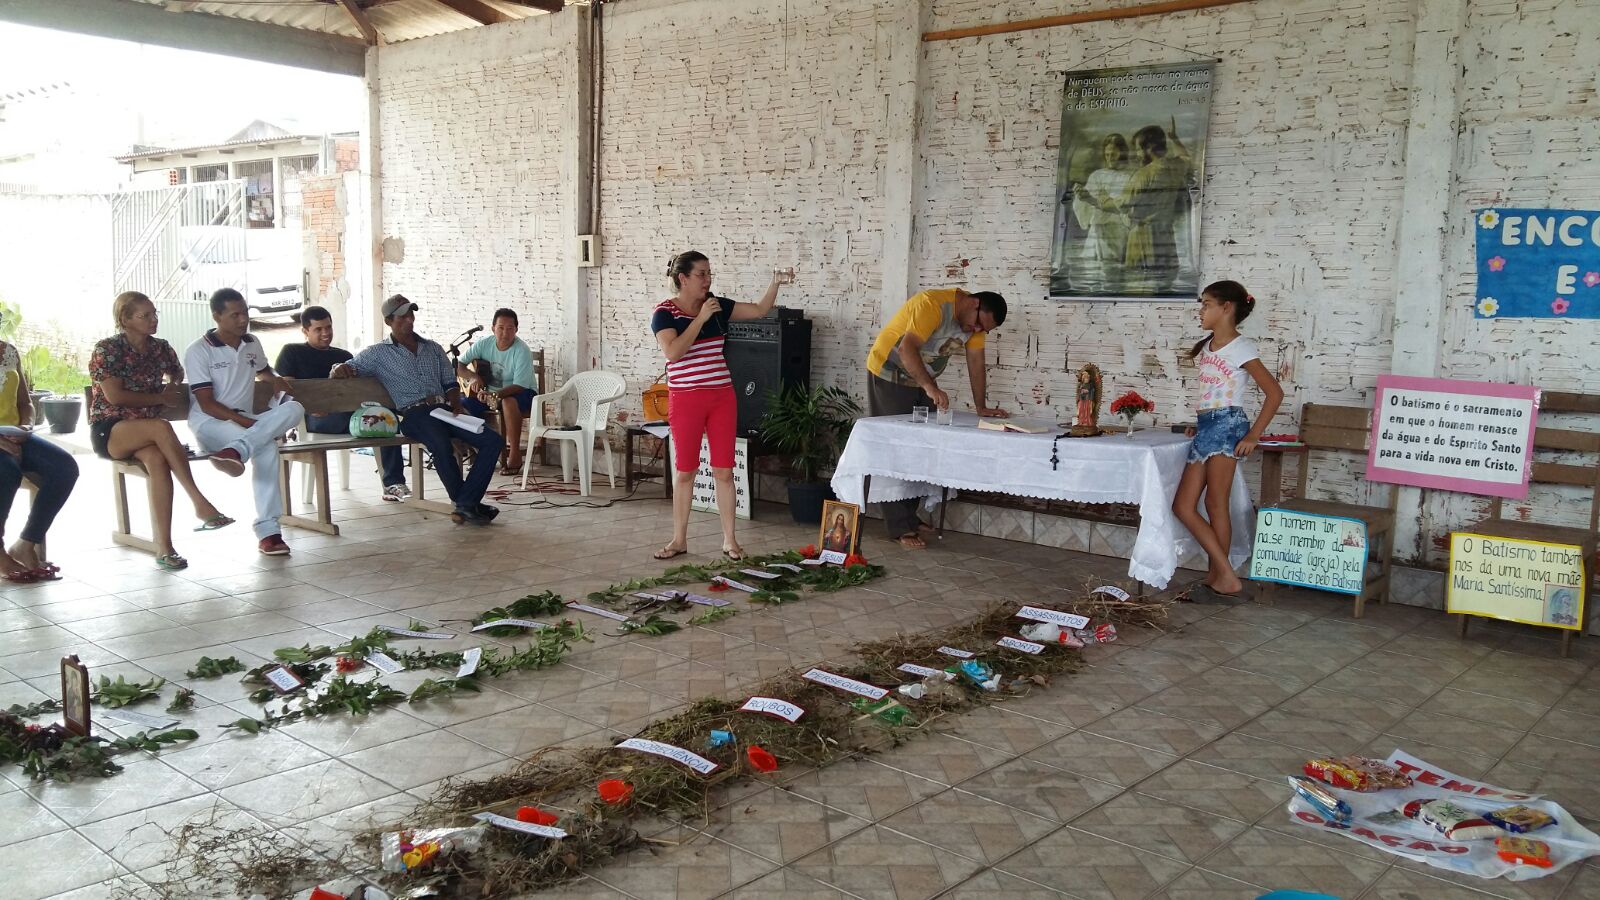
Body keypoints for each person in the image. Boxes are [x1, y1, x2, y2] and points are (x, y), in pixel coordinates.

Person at [651, 251, 784, 561]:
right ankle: (679, 540)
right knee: (686, 471)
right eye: (701, 274)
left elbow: (760, 309)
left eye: (710, 273)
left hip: (722, 397)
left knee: (724, 471)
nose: (707, 280)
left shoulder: (717, 305)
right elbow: (673, 353)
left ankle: (730, 541)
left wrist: (775, 282)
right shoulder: (665, 313)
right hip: (686, 399)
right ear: (683, 278)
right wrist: (700, 319)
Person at [89, 291, 236, 571]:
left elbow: (176, 372)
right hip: (111, 430)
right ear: (125, 319)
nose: (153, 319)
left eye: (154, 313)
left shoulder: (160, 348)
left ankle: (165, 548)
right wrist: (159, 398)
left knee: (157, 459)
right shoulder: (108, 349)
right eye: (145, 315)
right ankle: (199, 501)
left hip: (148, 432)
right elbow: (115, 397)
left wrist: (172, 385)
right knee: (161, 426)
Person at [332, 294, 504, 525]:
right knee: (441, 445)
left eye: (411, 314)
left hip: (444, 410)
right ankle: (467, 503)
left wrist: (456, 405)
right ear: (389, 321)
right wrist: (338, 368)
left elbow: (450, 382)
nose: (409, 320)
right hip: (414, 413)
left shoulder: (432, 348)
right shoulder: (378, 353)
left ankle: (466, 502)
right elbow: (348, 367)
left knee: (492, 440)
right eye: (402, 317)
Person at [864, 287, 1008, 549]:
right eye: (977, 324)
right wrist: (930, 388)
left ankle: (909, 516)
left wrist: (981, 407)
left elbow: (976, 362)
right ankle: (899, 527)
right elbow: (907, 349)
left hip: (922, 378)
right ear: (974, 303)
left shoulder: (975, 324)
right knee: (895, 448)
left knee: (922, 447)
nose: (975, 331)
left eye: (983, 330)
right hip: (890, 373)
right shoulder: (932, 305)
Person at [1172, 280, 1283, 596]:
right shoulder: (1208, 346)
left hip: (1229, 426)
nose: (1201, 311)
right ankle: (1221, 573)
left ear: (1226, 308)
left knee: (1215, 502)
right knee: (1184, 506)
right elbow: (1214, 393)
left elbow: (1275, 393)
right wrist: (1200, 423)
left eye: (1206, 304)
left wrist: (1253, 435)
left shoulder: (1241, 347)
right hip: (1208, 426)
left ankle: (1223, 576)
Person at [184, 288, 305, 557]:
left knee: (295, 408)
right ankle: (269, 532)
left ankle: (236, 451)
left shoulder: (251, 342)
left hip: (245, 425)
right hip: (210, 424)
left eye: (245, 313)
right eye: (235, 315)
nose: (243, 320)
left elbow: (263, 369)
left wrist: (275, 379)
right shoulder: (198, 350)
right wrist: (248, 424)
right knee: (267, 447)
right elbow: (207, 404)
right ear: (217, 316)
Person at [275, 305, 409, 501]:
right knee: (378, 420)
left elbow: (357, 389)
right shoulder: (292, 352)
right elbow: (285, 391)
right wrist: (310, 408)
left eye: (328, 327)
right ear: (305, 331)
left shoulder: (343, 356)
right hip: (312, 419)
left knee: (386, 419)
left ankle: (393, 483)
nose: (325, 333)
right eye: (318, 329)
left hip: (348, 415)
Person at [0, 332, 78, 582]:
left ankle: (26, 543)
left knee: (64, 467)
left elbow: (26, 402)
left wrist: (25, 426)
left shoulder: (9, 351)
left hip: (14, 435)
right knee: (6, 470)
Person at [456, 307, 538, 475]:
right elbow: (459, 365)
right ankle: (483, 450)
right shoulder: (484, 343)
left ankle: (514, 455)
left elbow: (520, 385)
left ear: (516, 329)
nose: (505, 333)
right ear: (493, 328)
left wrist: (494, 395)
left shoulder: (521, 350)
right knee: (463, 405)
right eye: (500, 328)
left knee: (508, 402)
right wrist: (473, 377)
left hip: (522, 392)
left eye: (510, 328)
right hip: (488, 394)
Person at [1121, 124, 1193, 291]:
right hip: (1165, 237)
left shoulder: (1143, 174)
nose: (1137, 154)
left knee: (1138, 287)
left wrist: (1096, 200)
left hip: (1142, 237)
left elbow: (1124, 205)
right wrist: (1175, 138)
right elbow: (1185, 157)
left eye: (1138, 149)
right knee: (1163, 285)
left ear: (1150, 147)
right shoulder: (1175, 167)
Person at [1070, 133, 1135, 291]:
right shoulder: (1097, 175)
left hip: (1117, 231)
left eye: (1114, 154)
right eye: (1107, 154)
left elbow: (1122, 206)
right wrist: (1081, 195)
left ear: (1122, 153)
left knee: (1112, 275)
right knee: (1092, 273)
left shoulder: (1129, 177)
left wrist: (1098, 200)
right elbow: (1087, 202)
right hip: (1096, 230)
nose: (1110, 157)